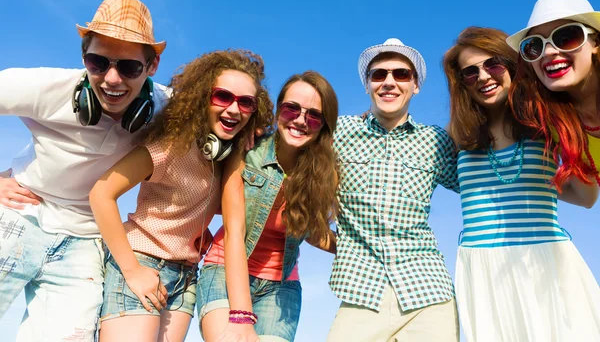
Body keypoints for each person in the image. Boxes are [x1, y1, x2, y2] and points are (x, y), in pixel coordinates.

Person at [0, 0, 169, 341]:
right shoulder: (46, 88)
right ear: (83, 57)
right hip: (19, 215)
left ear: (152, 66)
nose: (111, 79)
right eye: (97, 62)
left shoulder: (168, 108)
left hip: (84, 242)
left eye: (129, 67)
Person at [89, 49, 274, 341]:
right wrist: (132, 270)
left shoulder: (227, 159)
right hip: (142, 261)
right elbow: (101, 193)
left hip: (186, 277)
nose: (234, 109)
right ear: (203, 97)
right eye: (223, 97)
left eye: (246, 102)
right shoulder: (169, 147)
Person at [444, 26, 600, 341]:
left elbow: (586, 197)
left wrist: (553, 173)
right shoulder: (454, 139)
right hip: (482, 269)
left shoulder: (547, 122)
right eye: (470, 73)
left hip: (546, 262)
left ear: (512, 66)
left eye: (493, 64)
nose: (483, 77)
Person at [326, 38, 460, 342]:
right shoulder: (339, 131)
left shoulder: (436, 142)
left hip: (429, 292)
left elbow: (476, 185)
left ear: (416, 86)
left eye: (401, 74)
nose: (389, 82)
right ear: (367, 85)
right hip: (361, 291)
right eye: (379, 74)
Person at [198, 71, 339, 342]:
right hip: (225, 271)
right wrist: (241, 315)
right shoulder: (246, 149)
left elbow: (311, 232)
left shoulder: (322, 173)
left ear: (323, 125)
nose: (300, 120)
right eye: (291, 109)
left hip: (281, 287)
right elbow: (234, 232)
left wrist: (360, 249)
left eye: (313, 115)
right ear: (277, 111)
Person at [507, 0, 600, 186]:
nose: (548, 52)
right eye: (534, 46)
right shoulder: (555, 125)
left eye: (566, 37)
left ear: (596, 43)